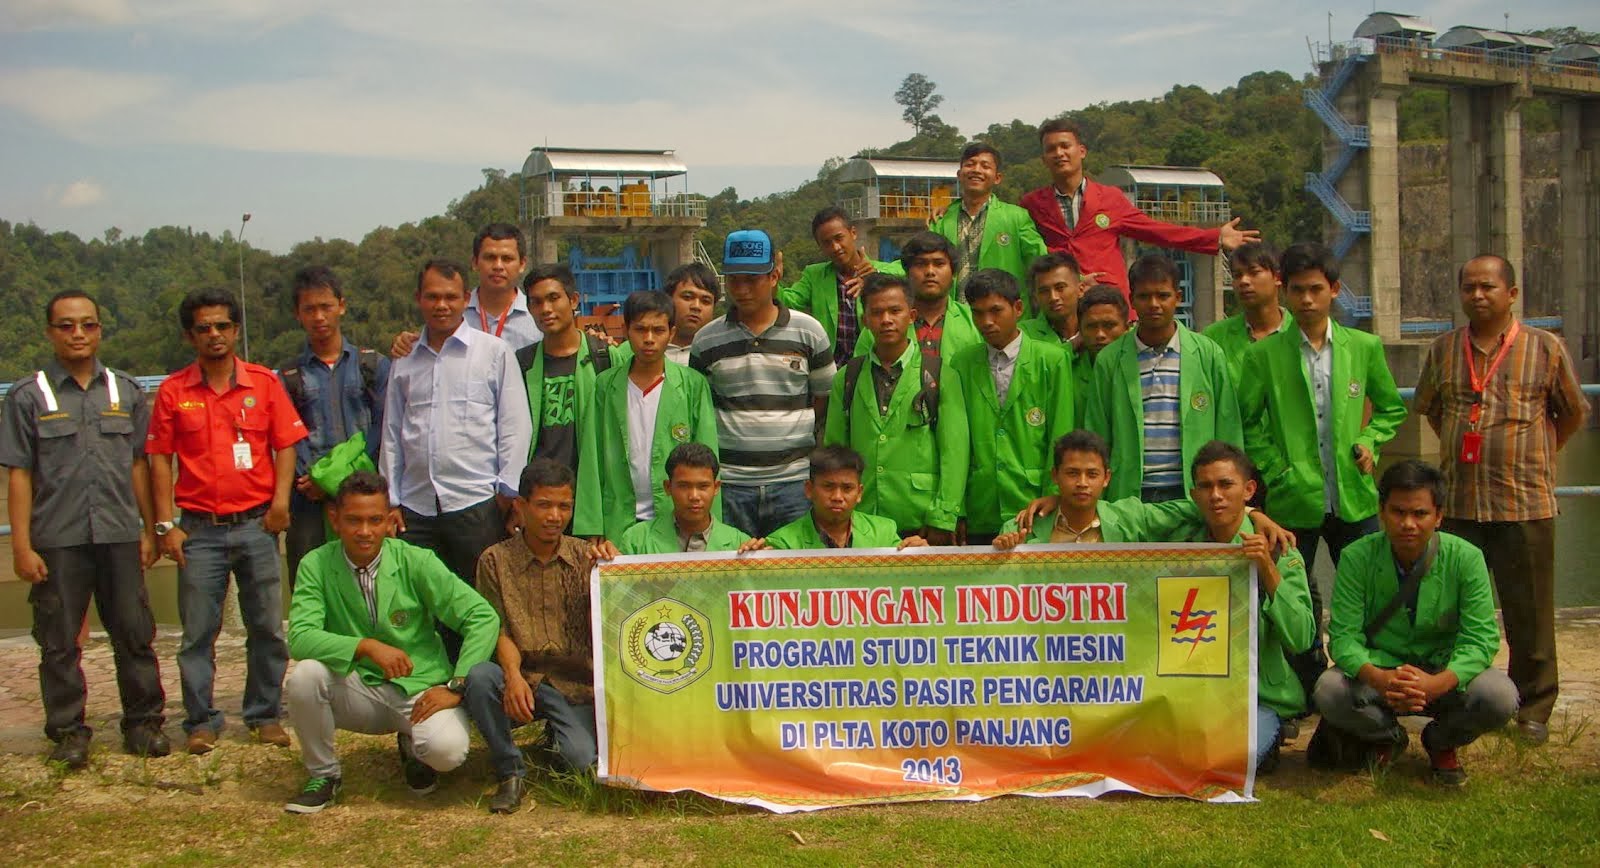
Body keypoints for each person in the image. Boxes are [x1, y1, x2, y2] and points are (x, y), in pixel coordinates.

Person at [1413, 254, 1588, 745]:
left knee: (1528, 609)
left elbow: (1572, 412)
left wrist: (1538, 455)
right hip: (1460, 505)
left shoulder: (1545, 348)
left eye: (1488, 287)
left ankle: (1533, 706)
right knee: (1452, 608)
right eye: (1468, 287)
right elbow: (1431, 410)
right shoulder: (1444, 350)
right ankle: (1456, 696)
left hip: (1523, 504)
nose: (1477, 295)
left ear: (1512, 294)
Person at [0, 290, 167, 768]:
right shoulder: (29, 396)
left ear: (100, 330)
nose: (79, 334)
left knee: (134, 634)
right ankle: (69, 733)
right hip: (57, 540)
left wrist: (151, 529)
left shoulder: (126, 392)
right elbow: (19, 474)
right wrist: (21, 546)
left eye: (88, 324)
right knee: (58, 643)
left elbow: (140, 465)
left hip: (118, 534)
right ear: (50, 332)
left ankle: (143, 724)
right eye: (67, 325)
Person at [1238, 242, 1407, 689]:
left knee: (1371, 588)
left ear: (1334, 290)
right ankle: (1302, 686)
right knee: (1290, 593)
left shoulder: (1363, 347)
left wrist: (1371, 441)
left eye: (1316, 289)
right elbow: (1248, 423)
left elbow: (1392, 409)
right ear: (1284, 292)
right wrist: (1277, 470)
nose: (1307, 300)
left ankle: (1371, 680)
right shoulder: (1264, 355)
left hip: (1353, 493)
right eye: (1297, 290)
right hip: (1295, 497)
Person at [282, 471, 501, 814]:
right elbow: (300, 636)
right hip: (358, 688)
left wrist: (457, 684)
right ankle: (324, 774)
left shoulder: (416, 561)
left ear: (390, 521)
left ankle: (412, 747)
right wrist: (365, 647)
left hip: (418, 688)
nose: (365, 531)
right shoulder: (316, 564)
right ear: (334, 519)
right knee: (305, 676)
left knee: (448, 752)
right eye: (354, 520)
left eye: (375, 520)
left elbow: (482, 617)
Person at [147, 288, 307, 755]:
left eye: (222, 326)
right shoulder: (174, 391)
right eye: (204, 328)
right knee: (197, 632)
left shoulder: (263, 384)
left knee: (267, 628)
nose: (214, 335)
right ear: (189, 336)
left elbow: (286, 445)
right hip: (198, 530)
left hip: (257, 525)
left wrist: (280, 504)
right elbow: (159, 460)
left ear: (235, 330)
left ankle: (263, 715)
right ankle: (200, 720)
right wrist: (164, 526)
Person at [1314, 460, 1518, 786]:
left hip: (1442, 670)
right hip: (1382, 670)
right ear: (1381, 512)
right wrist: (1379, 678)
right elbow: (1343, 639)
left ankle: (1441, 741)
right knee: (1329, 690)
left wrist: (1437, 683)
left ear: (1438, 516)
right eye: (1398, 512)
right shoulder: (1356, 556)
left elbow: (1481, 639)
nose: (1408, 523)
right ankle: (1387, 736)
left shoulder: (1467, 557)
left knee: (1499, 696)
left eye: (1420, 514)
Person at [380, 259, 532, 606]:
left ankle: (480, 665)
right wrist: (391, 499)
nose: (442, 305)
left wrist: (506, 493)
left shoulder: (492, 353)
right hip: (416, 507)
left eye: (450, 296)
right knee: (421, 604)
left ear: (466, 298)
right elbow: (392, 432)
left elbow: (514, 424)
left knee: (481, 602)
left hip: (476, 502)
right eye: (432, 297)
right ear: (419, 299)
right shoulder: (404, 360)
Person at [464, 460, 604, 814]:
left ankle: (558, 738)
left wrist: (611, 571)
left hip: (573, 685)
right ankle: (510, 770)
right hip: (522, 676)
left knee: (580, 760)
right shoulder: (495, 561)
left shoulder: (586, 558)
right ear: (521, 506)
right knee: (481, 679)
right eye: (543, 505)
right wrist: (512, 677)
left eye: (564, 507)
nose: (554, 516)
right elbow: (497, 628)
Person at [691, 229, 835, 538]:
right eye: (733, 280)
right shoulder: (706, 341)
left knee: (791, 576)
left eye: (752, 279)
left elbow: (823, 399)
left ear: (774, 276)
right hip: (729, 486)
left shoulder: (809, 332)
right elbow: (702, 409)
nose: (741, 289)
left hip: (794, 484)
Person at [1019, 118, 1258, 299]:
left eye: (1065, 146)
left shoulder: (1110, 198)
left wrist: (1214, 237)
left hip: (1110, 301)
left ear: (1081, 151)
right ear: (1043, 159)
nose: (1059, 153)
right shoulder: (1033, 204)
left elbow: (1156, 230)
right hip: (1062, 304)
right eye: (1051, 149)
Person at [1184, 441, 1313, 772]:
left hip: (1260, 696)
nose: (1216, 495)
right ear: (1194, 494)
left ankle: (1271, 733)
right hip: (1199, 692)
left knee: (1226, 763)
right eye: (1206, 486)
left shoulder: (1280, 550)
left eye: (1226, 484)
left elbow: (1300, 637)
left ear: (1249, 489)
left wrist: (1268, 571)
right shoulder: (1183, 546)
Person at [822, 272, 967, 544]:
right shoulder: (848, 376)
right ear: (865, 321)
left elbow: (955, 453)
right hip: (863, 521)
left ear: (911, 315)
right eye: (876, 313)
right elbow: (835, 450)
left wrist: (943, 518)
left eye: (895, 311)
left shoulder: (939, 374)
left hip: (921, 519)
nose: (886, 320)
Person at [1085, 254, 1240, 503]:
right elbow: (1097, 434)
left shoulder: (1208, 354)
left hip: (1194, 493)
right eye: (1144, 296)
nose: (1154, 304)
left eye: (1163, 295)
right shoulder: (1109, 360)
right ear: (1132, 300)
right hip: (1129, 496)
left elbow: (1228, 429)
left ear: (1178, 297)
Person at [993, 431, 1297, 553]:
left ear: (1107, 479)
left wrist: (1252, 512)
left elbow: (1202, 504)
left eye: (1092, 474)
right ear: (1055, 476)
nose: (1082, 482)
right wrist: (1001, 554)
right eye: (1072, 474)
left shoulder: (1130, 517)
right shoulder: (1025, 527)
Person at [277, 265, 390, 587]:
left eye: (326, 306)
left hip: (366, 494)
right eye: (309, 309)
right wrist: (317, 480)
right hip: (309, 499)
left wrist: (343, 480)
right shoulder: (288, 376)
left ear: (342, 305)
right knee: (311, 581)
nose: (319, 317)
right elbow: (290, 436)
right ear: (297, 314)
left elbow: (382, 429)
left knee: (372, 582)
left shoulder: (373, 365)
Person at [952, 269, 1074, 543]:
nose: (987, 321)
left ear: (1018, 308)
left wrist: (1054, 492)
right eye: (978, 313)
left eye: (995, 311)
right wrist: (956, 508)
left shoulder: (1052, 360)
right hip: (981, 502)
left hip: (1032, 502)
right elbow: (956, 440)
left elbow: (1061, 432)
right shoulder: (962, 363)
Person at [588, 290, 718, 540]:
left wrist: (710, 523)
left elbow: (709, 459)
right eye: (640, 330)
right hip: (618, 516)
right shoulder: (605, 385)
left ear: (671, 332)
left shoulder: (692, 384)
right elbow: (592, 458)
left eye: (658, 331)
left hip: (678, 514)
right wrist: (593, 526)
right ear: (626, 330)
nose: (649, 339)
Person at [517, 263, 623, 537]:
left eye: (554, 298)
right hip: (541, 499)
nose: (546, 309)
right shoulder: (523, 363)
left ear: (574, 300)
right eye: (537, 302)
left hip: (590, 496)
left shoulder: (605, 356)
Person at [389, 223, 542, 357]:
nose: (498, 266)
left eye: (507, 259)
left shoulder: (538, 317)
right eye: (490, 258)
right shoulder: (451, 313)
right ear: (475, 262)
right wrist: (405, 343)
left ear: (522, 264)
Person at [779, 207, 903, 363]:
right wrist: (770, 280)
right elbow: (789, 301)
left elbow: (910, 273)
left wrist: (877, 276)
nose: (835, 247)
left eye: (839, 238)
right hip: (831, 369)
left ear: (853, 233)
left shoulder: (881, 271)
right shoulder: (814, 275)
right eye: (827, 242)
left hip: (873, 366)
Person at [747, 446, 927, 550]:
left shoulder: (884, 533)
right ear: (809, 490)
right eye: (828, 487)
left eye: (847, 488)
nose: (837, 497)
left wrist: (922, 556)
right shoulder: (783, 543)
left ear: (859, 493)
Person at [928, 143, 1047, 294]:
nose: (976, 170)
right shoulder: (941, 220)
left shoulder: (1016, 218)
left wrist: (1076, 280)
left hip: (1004, 313)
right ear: (959, 174)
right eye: (970, 164)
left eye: (985, 166)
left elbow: (1041, 261)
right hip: (954, 313)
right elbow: (919, 262)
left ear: (997, 178)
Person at [852, 231, 981, 361]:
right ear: (907, 273)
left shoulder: (974, 321)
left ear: (953, 273)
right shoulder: (881, 325)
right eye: (921, 264)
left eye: (939, 263)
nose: (930, 271)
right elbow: (861, 375)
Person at [615, 444, 750, 554]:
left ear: (716, 488)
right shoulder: (636, 540)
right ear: (668, 487)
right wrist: (597, 564)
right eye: (684, 486)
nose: (694, 496)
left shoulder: (739, 544)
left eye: (703, 486)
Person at [1203, 242, 1292, 382]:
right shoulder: (1213, 339)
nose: (1243, 281)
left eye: (1254, 272)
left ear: (1277, 277)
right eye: (1237, 275)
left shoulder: (1301, 333)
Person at [1071, 285, 1129, 423]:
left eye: (1109, 325)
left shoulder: (1139, 367)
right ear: (1080, 330)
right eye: (1091, 326)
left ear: (1126, 328)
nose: (1100, 335)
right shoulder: (1068, 372)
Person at [1020, 252, 1083, 349]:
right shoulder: (1024, 333)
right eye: (1044, 291)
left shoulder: (1097, 326)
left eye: (1060, 287)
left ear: (1080, 289)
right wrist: (1074, 345)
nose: (1053, 297)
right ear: (1036, 297)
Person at [662, 262, 721, 365]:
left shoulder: (723, 356)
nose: (696, 306)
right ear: (668, 299)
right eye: (687, 297)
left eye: (705, 301)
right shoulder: (640, 351)